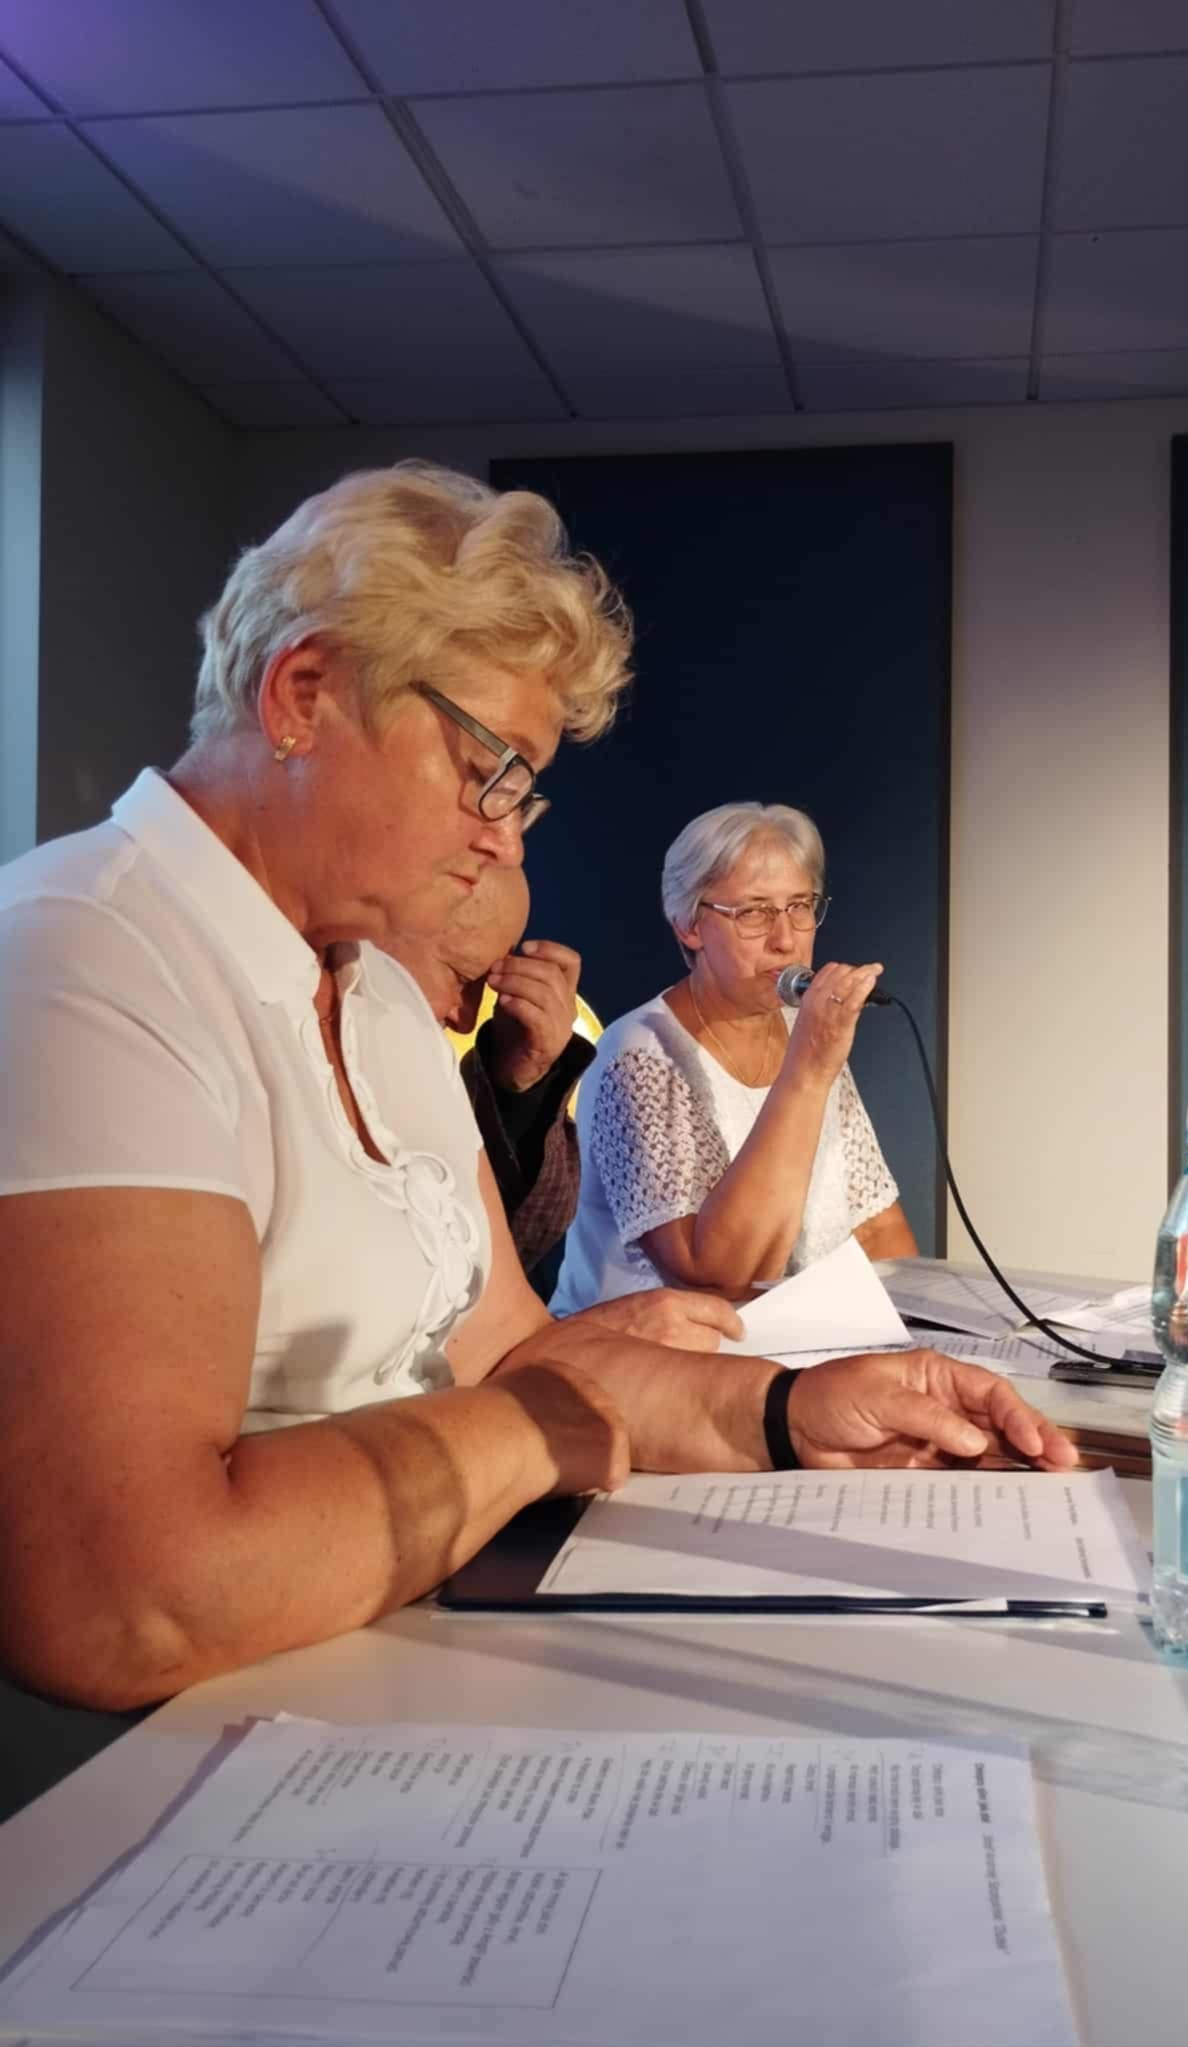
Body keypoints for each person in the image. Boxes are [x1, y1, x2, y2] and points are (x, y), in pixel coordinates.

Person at [0, 465, 1075, 1714]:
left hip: (405, 1660)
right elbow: (124, 1597)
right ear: (303, 695)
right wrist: (537, 1422)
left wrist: (792, 1411)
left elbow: (511, 1349)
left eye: (525, 791)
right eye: (488, 770)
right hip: (200, 1759)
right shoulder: (82, 957)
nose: (507, 837)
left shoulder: (375, 991)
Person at [552, 802, 918, 1312]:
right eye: (753, 912)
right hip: (653, 1351)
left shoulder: (806, 1033)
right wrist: (809, 1069)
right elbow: (716, 1280)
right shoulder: (638, 1055)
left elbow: (877, 1230)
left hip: (795, 1338)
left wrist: (923, 1326)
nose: (785, 940)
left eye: (799, 906)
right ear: (689, 925)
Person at [383, 865, 595, 1273]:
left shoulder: (430, 1070)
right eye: (460, 977)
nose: (465, 1020)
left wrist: (521, 1086)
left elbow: (507, 1252)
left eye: (482, 989)